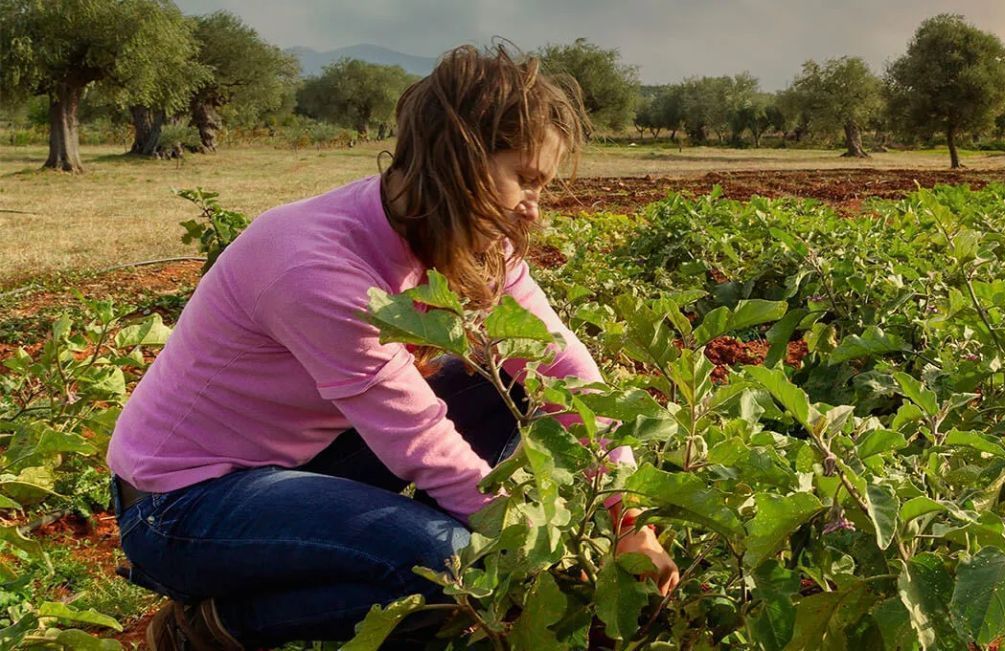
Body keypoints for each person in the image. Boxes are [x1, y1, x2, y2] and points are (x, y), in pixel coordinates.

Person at [104, 44, 678, 651]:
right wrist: (523, 549)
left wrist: (627, 520)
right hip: (183, 504)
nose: (534, 209)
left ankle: (400, 549)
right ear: (460, 161)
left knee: (504, 378)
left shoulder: (480, 241)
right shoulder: (313, 267)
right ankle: (217, 626)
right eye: (526, 180)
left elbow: (564, 367)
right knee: (453, 570)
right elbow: (418, 439)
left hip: (306, 461)